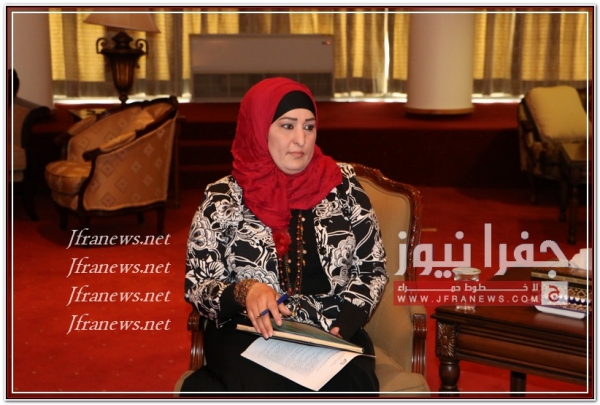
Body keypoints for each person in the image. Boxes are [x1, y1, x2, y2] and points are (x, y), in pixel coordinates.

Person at [182, 77, 388, 395]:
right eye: (287, 126)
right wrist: (245, 291)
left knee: (351, 385)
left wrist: (343, 325)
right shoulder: (223, 197)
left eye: (309, 127)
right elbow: (198, 285)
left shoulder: (342, 186)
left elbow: (371, 267)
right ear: (259, 128)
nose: (301, 140)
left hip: (331, 330)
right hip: (249, 331)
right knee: (267, 387)